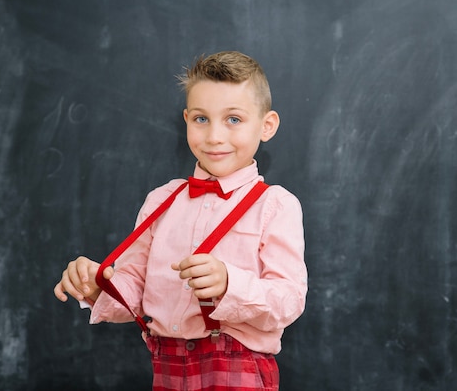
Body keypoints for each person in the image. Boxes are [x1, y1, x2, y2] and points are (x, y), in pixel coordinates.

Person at [53, 51, 307, 391]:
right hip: (167, 366)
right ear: (187, 119)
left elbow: (289, 300)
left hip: (238, 368)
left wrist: (230, 284)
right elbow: (135, 286)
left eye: (233, 119)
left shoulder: (276, 205)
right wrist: (100, 286)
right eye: (202, 119)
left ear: (267, 126)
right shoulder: (161, 200)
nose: (215, 136)